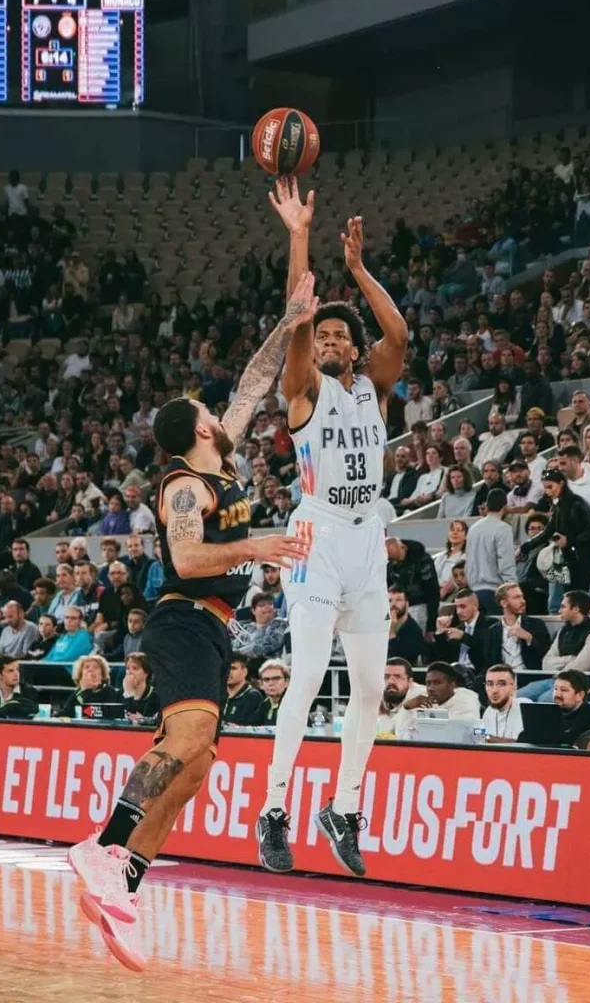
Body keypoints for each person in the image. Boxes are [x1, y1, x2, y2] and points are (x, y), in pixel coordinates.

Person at [69, 276, 312, 971]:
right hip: (181, 620)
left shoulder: (222, 455)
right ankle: (103, 842)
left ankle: (125, 887)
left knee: (198, 763)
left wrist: (292, 316)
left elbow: (254, 382)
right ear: (198, 429)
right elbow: (186, 554)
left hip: (213, 626)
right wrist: (255, 547)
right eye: (210, 412)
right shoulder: (185, 485)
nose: (220, 413)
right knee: (191, 734)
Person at [258, 186, 409, 881]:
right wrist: (299, 237)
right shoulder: (305, 391)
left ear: (353, 348)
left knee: (373, 688)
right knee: (312, 674)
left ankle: (343, 808)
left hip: (366, 542)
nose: (330, 342)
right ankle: (275, 809)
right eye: (323, 337)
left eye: (340, 336)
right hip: (316, 537)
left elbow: (400, 336)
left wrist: (357, 269)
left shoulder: (373, 387)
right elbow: (295, 325)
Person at [519, 469, 590, 595]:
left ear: (561, 483)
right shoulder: (559, 506)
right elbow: (547, 531)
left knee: (577, 597)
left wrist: (569, 540)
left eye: (550, 487)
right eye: (545, 488)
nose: (548, 492)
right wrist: (525, 548)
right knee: (560, 597)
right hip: (564, 559)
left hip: (582, 560)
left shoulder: (578, 503)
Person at [518, 590, 590, 702]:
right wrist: (569, 659)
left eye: (563, 607)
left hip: (577, 686)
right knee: (518, 696)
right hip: (555, 680)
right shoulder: (563, 631)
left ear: (576, 609)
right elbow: (546, 663)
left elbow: (578, 669)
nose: (559, 610)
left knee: (544, 700)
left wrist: (559, 667)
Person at [483, 582, 551, 682]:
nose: (523, 601)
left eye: (522, 597)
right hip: (502, 680)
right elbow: (488, 662)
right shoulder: (492, 631)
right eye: (516, 598)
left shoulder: (536, 624)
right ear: (504, 603)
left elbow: (546, 655)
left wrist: (529, 638)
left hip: (529, 678)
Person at [464, 489, 517, 613]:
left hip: (474, 591)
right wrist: (513, 589)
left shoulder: (473, 528)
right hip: (495, 591)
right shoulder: (503, 528)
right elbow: (506, 563)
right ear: (505, 506)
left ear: (487, 506)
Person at [394, 661, 481, 736]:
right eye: (428, 683)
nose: (431, 688)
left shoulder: (467, 701)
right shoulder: (421, 700)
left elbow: (471, 734)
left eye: (437, 683)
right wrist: (406, 708)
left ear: (452, 684)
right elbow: (401, 735)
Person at [523, 669, 590, 745]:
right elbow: (525, 736)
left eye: (564, 690)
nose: (557, 694)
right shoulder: (549, 712)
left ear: (580, 695)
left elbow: (572, 740)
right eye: (555, 689)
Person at [385, 537, 440, 636]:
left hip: (418, 608)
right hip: (395, 610)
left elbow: (433, 593)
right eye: (390, 560)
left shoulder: (423, 561)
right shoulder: (389, 564)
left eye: (395, 559)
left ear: (403, 548)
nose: (394, 563)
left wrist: (431, 626)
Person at [433, 588, 488, 673]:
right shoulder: (458, 629)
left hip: (479, 674)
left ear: (475, 605)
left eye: (463, 606)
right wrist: (440, 632)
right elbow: (444, 659)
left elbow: (486, 654)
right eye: (457, 607)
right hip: (456, 675)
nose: (458, 612)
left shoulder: (489, 625)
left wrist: (464, 637)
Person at [57, 654, 121, 717]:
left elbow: (90, 714)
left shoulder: (108, 691)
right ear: (81, 674)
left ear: (102, 674)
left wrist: (87, 690)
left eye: (96, 667)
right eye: (86, 667)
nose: (90, 670)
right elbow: (65, 713)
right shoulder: (78, 692)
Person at [0, 653, 39, 720]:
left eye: (17, 669)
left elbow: (30, 710)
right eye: (10, 671)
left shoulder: (28, 691)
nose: (16, 674)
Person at [377, 657, 427, 735]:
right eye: (386, 677)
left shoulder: (420, 697)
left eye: (397, 677)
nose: (390, 681)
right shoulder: (378, 694)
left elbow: (394, 735)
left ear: (410, 682)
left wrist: (383, 716)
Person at [481, 664, 528, 742]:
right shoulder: (488, 712)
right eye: (490, 684)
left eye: (501, 684)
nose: (494, 690)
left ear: (514, 688)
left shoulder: (525, 707)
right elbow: (479, 735)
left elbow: (521, 744)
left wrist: (489, 738)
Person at [387, 586, 426, 665]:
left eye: (398, 600)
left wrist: (392, 633)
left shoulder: (414, 631)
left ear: (407, 604)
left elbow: (399, 662)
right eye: (390, 600)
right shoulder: (381, 623)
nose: (393, 604)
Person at [222, 653, 264, 725]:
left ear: (245, 671)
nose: (228, 672)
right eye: (226, 668)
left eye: (233, 668)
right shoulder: (218, 695)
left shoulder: (253, 697)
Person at [121, 653, 160, 725]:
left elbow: (135, 722)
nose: (129, 672)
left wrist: (128, 694)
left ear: (146, 673)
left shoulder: (155, 696)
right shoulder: (122, 693)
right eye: (128, 668)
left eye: (135, 668)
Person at [251, 658, 290, 725]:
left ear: (286, 682)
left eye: (276, 678)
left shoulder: (293, 706)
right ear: (261, 685)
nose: (271, 683)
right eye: (266, 679)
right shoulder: (264, 704)